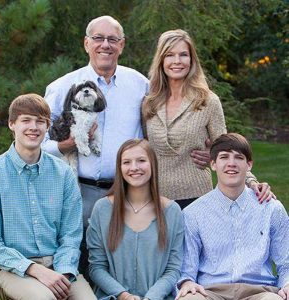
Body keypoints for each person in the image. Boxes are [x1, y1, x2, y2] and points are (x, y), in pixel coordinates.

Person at [41, 15, 149, 277]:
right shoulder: (62, 86)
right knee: (77, 261)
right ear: (86, 43)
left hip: (124, 190)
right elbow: (40, 142)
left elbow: (155, 131)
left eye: (113, 39)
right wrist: (67, 145)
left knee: (121, 265)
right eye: (98, 38)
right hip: (78, 189)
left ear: (122, 45)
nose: (106, 45)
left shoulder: (140, 85)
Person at [142, 29, 273, 209]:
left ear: (192, 60)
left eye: (183, 55)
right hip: (156, 198)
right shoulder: (150, 102)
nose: (177, 61)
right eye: (170, 55)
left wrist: (252, 182)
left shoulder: (208, 101)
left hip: (197, 198)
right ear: (161, 61)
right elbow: (141, 149)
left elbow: (228, 148)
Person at [0, 94, 95, 300]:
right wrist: (36, 270)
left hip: (58, 265)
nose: (34, 127)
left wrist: (63, 273)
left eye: (40, 121)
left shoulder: (63, 173)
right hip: (12, 268)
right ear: (12, 124)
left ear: (47, 127)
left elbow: (71, 235)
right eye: (26, 120)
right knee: (43, 298)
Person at [176, 133, 289, 300]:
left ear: (249, 164)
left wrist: (287, 283)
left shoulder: (271, 209)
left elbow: (286, 263)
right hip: (211, 291)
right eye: (224, 157)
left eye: (238, 157)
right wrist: (186, 282)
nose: (231, 163)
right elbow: (187, 268)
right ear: (213, 164)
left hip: (259, 291)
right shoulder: (193, 213)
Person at [87, 139, 184, 300]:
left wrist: (150, 298)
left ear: (152, 164)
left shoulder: (172, 211)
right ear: (119, 168)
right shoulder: (102, 209)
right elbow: (97, 267)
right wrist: (124, 296)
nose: (134, 167)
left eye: (141, 161)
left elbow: (173, 269)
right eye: (126, 162)